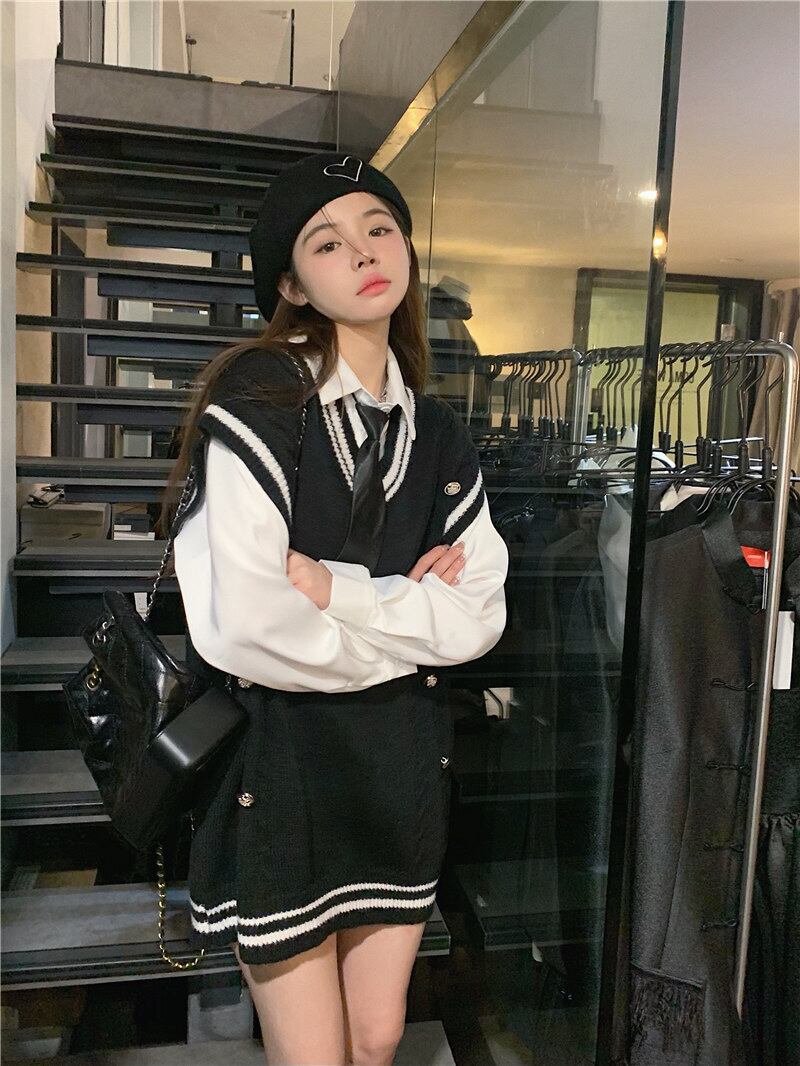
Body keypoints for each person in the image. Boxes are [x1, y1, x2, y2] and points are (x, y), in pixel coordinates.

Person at [162, 151, 509, 1065]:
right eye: (327, 243)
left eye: (379, 228)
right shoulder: (259, 399)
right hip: (281, 768)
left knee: (378, 1034)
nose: (363, 252)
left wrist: (340, 593)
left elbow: (479, 614)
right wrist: (409, 626)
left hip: (399, 766)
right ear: (293, 285)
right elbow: (247, 625)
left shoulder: (435, 431)